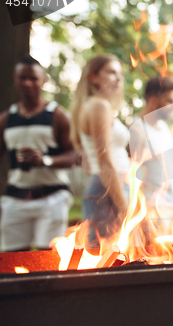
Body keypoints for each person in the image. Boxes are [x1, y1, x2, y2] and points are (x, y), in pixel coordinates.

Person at [0, 55, 80, 252]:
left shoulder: (57, 115)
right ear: (15, 79)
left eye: (33, 78)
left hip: (52, 196)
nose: (27, 83)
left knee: (49, 257)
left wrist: (45, 160)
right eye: (22, 77)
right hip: (16, 197)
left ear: (43, 80)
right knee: (12, 259)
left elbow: (76, 155)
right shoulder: (6, 119)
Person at [70, 54, 130, 248]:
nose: (119, 78)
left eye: (120, 74)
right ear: (93, 77)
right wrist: (125, 206)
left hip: (107, 187)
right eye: (111, 72)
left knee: (109, 257)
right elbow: (105, 161)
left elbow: (90, 158)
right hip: (109, 189)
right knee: (107, 260)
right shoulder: (99, 105)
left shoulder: (93, 106)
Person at [129, 76, 173, 237]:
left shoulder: (164, 128)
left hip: (171, 208)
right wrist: (142, 213)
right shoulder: (136, 129)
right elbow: (130, 177)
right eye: (169, 101)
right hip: (150, 212)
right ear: (153, 99)